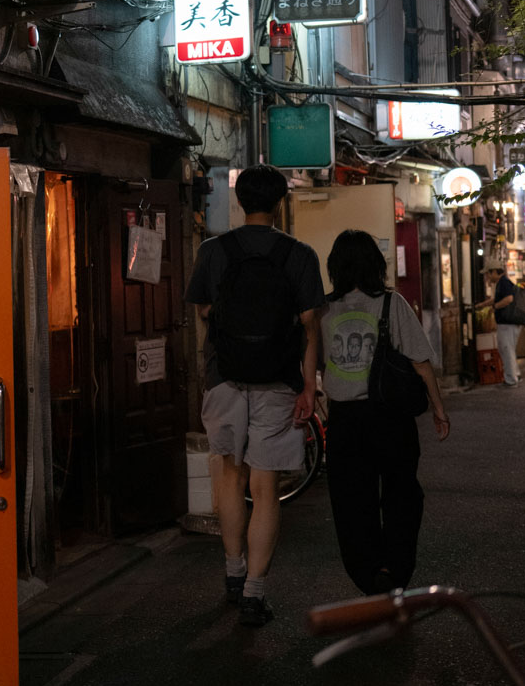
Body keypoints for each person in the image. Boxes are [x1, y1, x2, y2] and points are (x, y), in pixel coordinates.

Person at [185, 163, 324, 628]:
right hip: (279, 381)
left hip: (224, 376)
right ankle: (254, 592)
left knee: (230, 475)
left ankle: (232, 570)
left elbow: (204, 310)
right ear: (280, 202)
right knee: (265, 489)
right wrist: (308, 386)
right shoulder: (299, 255)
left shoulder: (213, 250)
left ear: (241, 201)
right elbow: (310, 326)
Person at [321, 228, 449, 595]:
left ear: (335, 267)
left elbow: (314, 362)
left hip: (345, 420)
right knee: (402, 494)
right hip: (391, 419)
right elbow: (421, 362)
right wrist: (438, 409)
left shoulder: (325, 309)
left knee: (351, 501)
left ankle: (368, 572)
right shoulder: (393, 304)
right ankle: (396, 569)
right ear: (376, 265)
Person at [490, 266, 522, 386]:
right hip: (509, 323)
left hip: (508, 323)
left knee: (507, 350)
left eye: (489, 274)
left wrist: (495, 306)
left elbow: (509, 299)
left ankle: (511, 380)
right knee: (509, 350)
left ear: (494, 272)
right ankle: (515, 375)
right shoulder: (503, 282)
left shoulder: (504, 282)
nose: (487, 277)